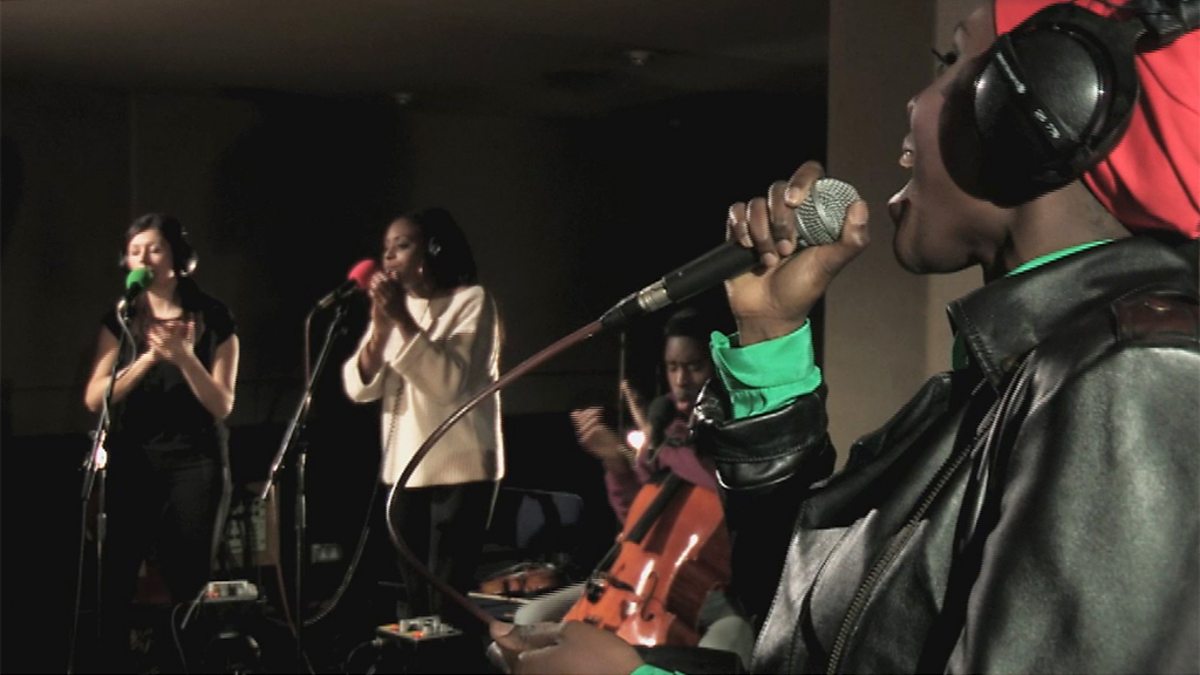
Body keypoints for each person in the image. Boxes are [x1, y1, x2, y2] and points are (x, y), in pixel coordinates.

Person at [488, 0, 1200, 673]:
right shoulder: (1024, 374)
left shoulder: (1134, 382)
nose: (914, 102)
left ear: (1043, 103)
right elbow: (807, 630)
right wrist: (768, 334)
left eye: (951, 61)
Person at [512, 307, 754, 669]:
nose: (682, 379)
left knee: (725, 641)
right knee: (528, 619)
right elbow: (636, 519)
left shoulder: (736, 433)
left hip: (706, 588)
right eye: (672, 367)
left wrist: (662, 453)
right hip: (639, 581)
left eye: (694, 366)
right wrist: (615, 462)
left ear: (718, 367)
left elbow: (718, 482)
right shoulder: (668, 427)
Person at [83, 212, 239, 672]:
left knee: (189, 577)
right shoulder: (122, 318)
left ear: (177, 257)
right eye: (135, 252)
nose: (144, 259)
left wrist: (184, 358)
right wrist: (150, 357)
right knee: (116, 574)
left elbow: (222, 403)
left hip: (196, 462)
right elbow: (95, 396)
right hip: (134, 458)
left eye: (154, 249)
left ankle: (186, 662)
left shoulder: (212, 317)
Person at [341, 206, 505, 635]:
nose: (388, 257)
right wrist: (380, 328)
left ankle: (453, 663)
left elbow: (448, 382)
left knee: (446, 601)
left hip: (460, 468)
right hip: (405, 470)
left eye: (402, 245)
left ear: (433, 249)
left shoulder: (472, 302)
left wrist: (400, 319)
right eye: (386, 248)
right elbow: (360, 388)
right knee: (414, 602)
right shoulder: (400, 308)